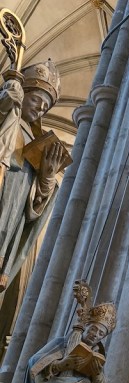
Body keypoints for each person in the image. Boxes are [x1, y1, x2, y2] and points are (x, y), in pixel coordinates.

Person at [0, 58, 66, 293]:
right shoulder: (8, 116)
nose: (39, 108)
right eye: (37, 100)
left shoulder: (35, 143)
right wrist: (7, 103)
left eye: (45, 107)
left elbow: (32, 210)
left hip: (11, 212)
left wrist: (46, 179)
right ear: (24, 93)